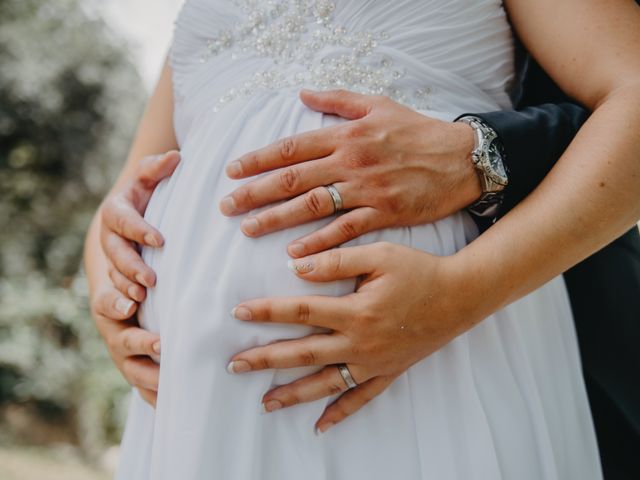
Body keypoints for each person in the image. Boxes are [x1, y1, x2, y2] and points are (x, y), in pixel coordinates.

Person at [83, 0, 640, 478]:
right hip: (196, 393)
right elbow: (148, 165)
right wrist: (104, 263)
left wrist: (456, 295)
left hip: (431, 363)